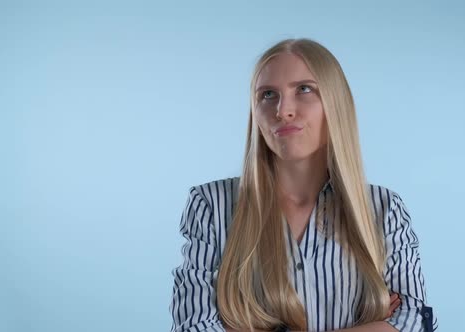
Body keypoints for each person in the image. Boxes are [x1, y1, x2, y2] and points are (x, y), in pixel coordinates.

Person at [169, 38, 437, 332]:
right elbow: (194, 326)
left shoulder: (383, 208)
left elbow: (415, 321)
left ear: (335, 103)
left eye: (304, 89)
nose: (283, 110)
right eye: (268, 94)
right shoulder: (212, 205)